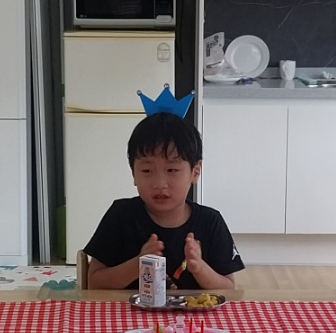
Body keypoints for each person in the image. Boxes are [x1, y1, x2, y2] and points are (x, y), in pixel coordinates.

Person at [84, 112, 244, 292]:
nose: (160, 184)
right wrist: (139, 263)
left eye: (172, 170)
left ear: (195, 171)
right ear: (133, 173)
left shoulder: (210, 221)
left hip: (192, 311)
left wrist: (199, 267)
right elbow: (95, 283)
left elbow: (229, 288)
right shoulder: (121, 215)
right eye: (147, 171)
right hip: (129, 310)